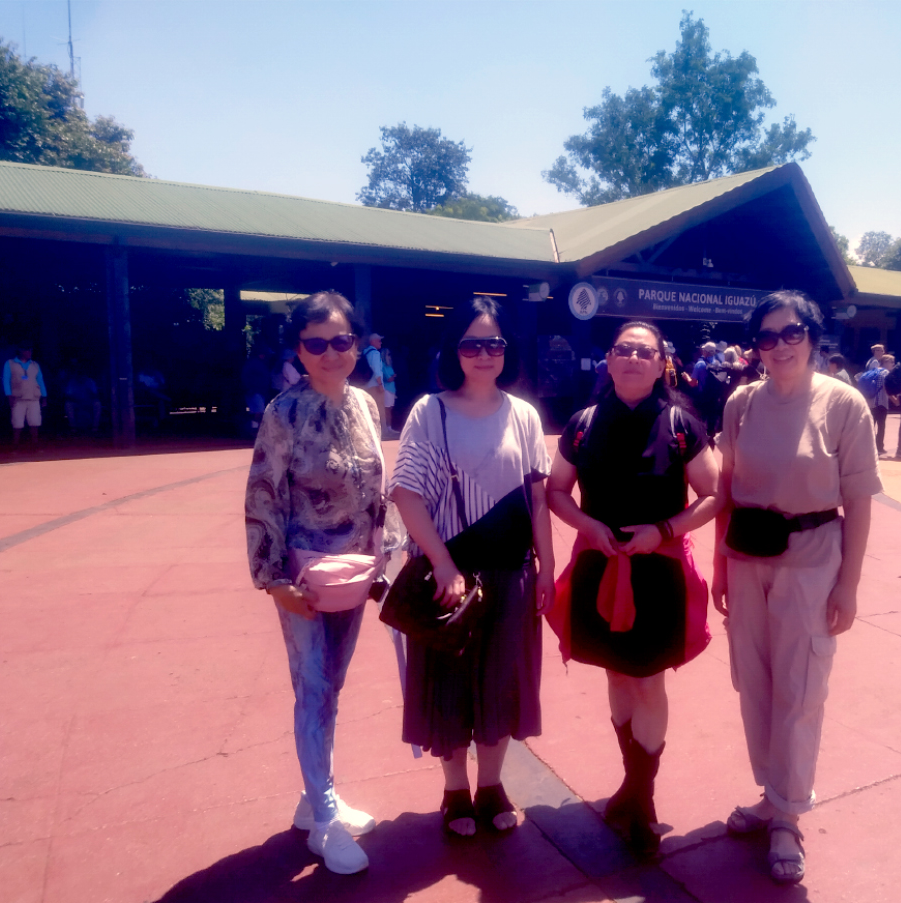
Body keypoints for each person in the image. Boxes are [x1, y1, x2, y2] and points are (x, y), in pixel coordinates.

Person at [712, 291, 881, 885]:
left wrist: (850, 586)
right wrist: (718, 564)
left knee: (801, 688)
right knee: (752, 683)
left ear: (812, 337)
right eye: (766, 336)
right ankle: (771, 793)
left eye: (791, 333)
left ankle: (788, 815)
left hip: (812, 560)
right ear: (754, 344)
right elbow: (726, 488)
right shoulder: (740, 403)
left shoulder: (844, 404)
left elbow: (858, 503)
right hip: (746, 557)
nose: (779, 345)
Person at [545, 320, 720, 857]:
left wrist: (663, 531)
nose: (633, 358)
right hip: (601, 565)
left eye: (645, 351)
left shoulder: (681, 423)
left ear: (661, 361)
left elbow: (713, 496)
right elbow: (556, 491)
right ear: (609, 360)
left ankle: (642, 800)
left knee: (648, 682)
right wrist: (587, 525)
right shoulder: (582, 423)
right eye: (624, 349)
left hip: (656, 570)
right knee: (618, 674)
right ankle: (631, 786)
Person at [390, 296, 555, 839]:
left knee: (503, 681)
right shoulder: (429, 411)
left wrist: (546, 568)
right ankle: (455, 788)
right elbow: (408, 494)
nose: (483, 354)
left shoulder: (524, 415)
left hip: (511, 572)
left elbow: (537, 498)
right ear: (454, 350)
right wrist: (440, 562)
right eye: (471, 344)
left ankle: (492, 784)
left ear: (507, 351)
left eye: (494, 344)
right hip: (450, 576)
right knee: (449, 684)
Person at [245, 291, 386, 874]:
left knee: (334, 684)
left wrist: (384, 560)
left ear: (357, 344)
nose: (330, 353)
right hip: (303, 577)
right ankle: (325, 819)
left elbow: (376, 491)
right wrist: (272, 578)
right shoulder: (284, 413)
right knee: (313, 685)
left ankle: (313, 795)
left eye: (341, 341)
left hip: (354, 576)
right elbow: (263, 496)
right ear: (300, 349)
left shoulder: (366, 406)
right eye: (315, 343)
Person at [3, 341, 46, 449]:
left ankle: (35, 445)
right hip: (18, 397)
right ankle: (15, 445)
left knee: (35, 421)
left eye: (31, 350)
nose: (30, 352)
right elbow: (6, 380)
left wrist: (44, 396)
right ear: (21, 351)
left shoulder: (35, 365)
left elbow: (40, 381)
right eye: (27, 350)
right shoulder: (10, 363)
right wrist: (9, 395)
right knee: (17, 422)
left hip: (33, 397)